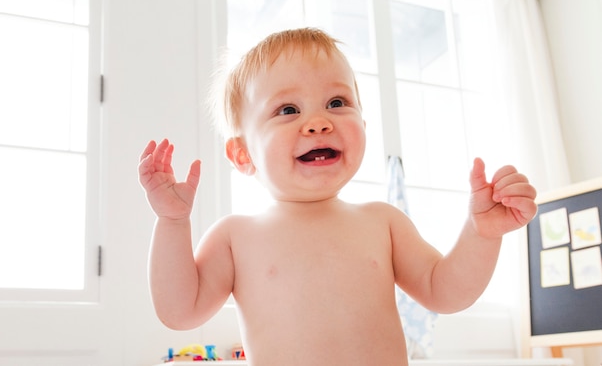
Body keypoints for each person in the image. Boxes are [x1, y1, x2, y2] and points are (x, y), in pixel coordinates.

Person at [138, 28, 537, 366]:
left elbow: (445, 292)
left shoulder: (383, 222)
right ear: (243, 154)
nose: (318, 122)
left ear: (362, 122)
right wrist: (173, 223)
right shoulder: (235, 237)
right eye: (288, 109)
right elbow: (180, 312)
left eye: (336, 103)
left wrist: (481, 234)